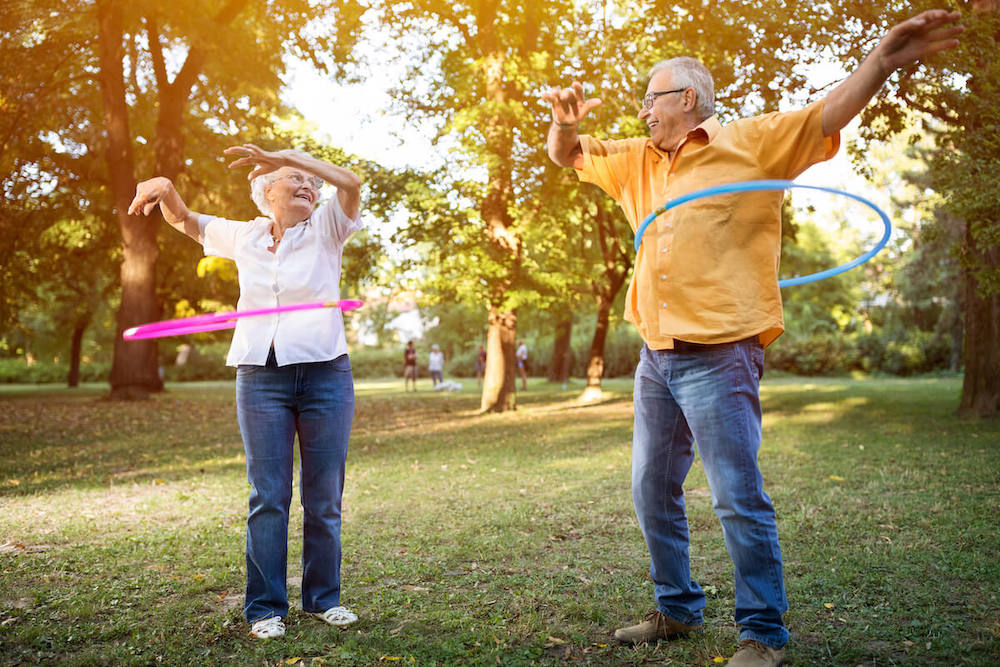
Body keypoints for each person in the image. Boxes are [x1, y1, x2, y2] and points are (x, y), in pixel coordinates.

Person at [542, 10, 962, 666]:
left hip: (722, 353)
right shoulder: (634, 163)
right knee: (651, 487)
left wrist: (881, 62)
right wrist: (565, 121)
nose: (643, 110)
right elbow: (566, 152)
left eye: (650, 97)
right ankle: (676, 608)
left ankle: (762, 632)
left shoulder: (752, 143)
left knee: (737, 494)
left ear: (685, 98)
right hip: (657, 355)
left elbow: (827, 114)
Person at [128, 143, 365, 640]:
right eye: (294, 179)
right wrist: (167, 188)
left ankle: (324, 600)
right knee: (268, 496)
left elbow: (350, 183)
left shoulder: (327, 227)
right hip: (261, 376)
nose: (307, 185)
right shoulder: (246, 235)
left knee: (324, 498)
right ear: (266, 192)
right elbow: (187, 221)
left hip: (325, 373)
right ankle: (264, 608)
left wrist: (292, 155)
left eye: (310, 181)